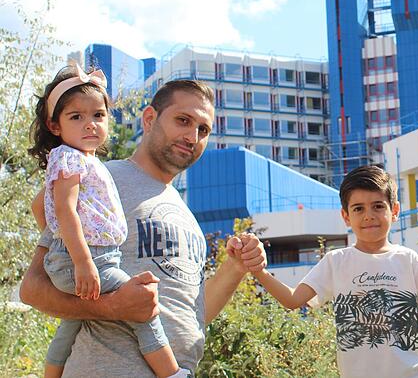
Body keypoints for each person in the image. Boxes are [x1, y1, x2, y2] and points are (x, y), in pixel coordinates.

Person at [21, 77, 267, 377]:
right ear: (149, 118)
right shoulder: (100, 179)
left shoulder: (187, 216)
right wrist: (112, 307)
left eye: (203, 130)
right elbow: (33, 289)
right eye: (183, 120)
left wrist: (235, 268)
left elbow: (189, 318)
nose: (192, 136)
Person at [27, 65, 186, 378]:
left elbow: (39, 206)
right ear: (54, 125)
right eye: (77, 117)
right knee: (142, 307)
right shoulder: (69, 157)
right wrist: (80, 261)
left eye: (98, 115)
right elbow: (64, 209)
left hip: (89, 257)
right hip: (90, 260)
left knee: (70, 326)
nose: (90, 125)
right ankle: (172, 374)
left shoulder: (87, 159)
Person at [253, 165, 418, 378]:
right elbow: (292, 299)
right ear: (345, 216)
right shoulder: (336, 261)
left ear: (395, 211)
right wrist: (259, 272)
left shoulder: (408, 259)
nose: (368, 216)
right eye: (358, 208)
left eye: (378, 206)